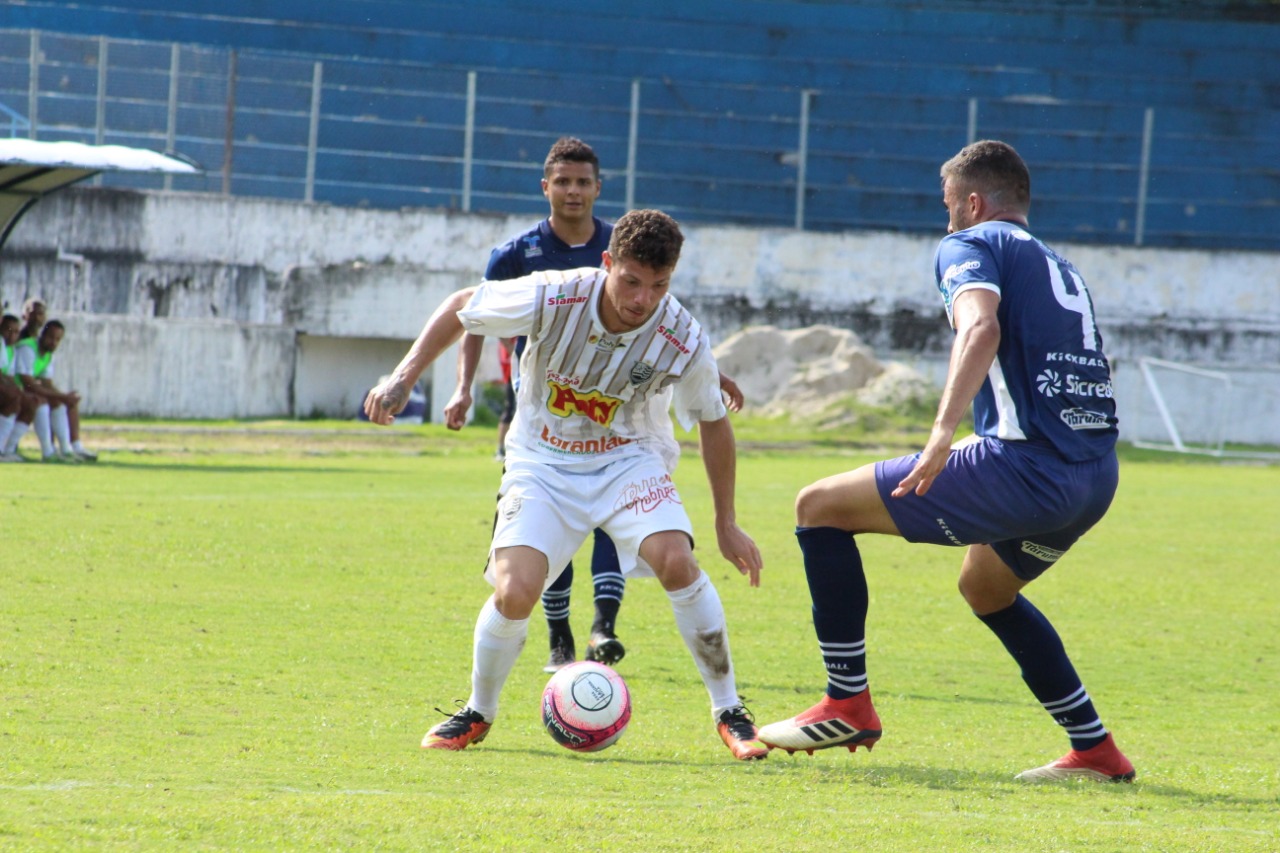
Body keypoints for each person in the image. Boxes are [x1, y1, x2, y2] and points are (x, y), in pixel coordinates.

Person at [757, 140, 1135, 783]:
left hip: (1025, 470)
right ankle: (1095, 749)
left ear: (974, 202)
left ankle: (847, 701)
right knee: (986, 588)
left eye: (949, 204)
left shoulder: (970, 244)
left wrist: (940, 435)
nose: (947, 218)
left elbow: (980, 328)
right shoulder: (1058, 263)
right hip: (1095, 478)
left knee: (818, 507)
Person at [365, 208, 770, 760]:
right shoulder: (555, 294)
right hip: (543, 460)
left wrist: (726, 521)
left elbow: (714, 420)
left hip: (629, 459)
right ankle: (478, 711)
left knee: (677, 560)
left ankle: (730, 711)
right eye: (631, 281)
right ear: (607, 263)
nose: (643, 299)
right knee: (514, 591)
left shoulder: (680, 333)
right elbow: (463, 304)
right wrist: (403, 376)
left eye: (659, 285)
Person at [443, 137, 743, 675]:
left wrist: (707, 371)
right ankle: (533, 655)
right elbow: (469, 311)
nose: (641, 299)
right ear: (546, 187)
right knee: (524, 574)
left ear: (598, 188)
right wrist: (451, 383)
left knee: (662, 550)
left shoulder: (667, 309)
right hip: (544, 433)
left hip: (624, 446)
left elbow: (689, 380)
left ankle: (623, 637)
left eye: (583, 182)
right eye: (564, 181)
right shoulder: (529, 266)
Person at [13, 319, 98, 462]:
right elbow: (28, 384)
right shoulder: (27, 349)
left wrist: (64, 397)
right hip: (14, 389)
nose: (54, 342)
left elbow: (47, 383)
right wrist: (62, 396)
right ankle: (47, 451)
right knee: (41, 402)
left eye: (58, 339)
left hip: (21, 390)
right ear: (42, 335)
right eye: (51, 337)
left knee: (60, 402)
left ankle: (67, 449)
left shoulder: (48, 354)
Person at [0, 314, 38, 462]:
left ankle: (8, 449)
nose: (12, 335)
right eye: (8, 330)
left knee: (31, 403)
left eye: (16, 332)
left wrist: (19, 391)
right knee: (13, 398)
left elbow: (8, 376)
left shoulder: (11, 350)